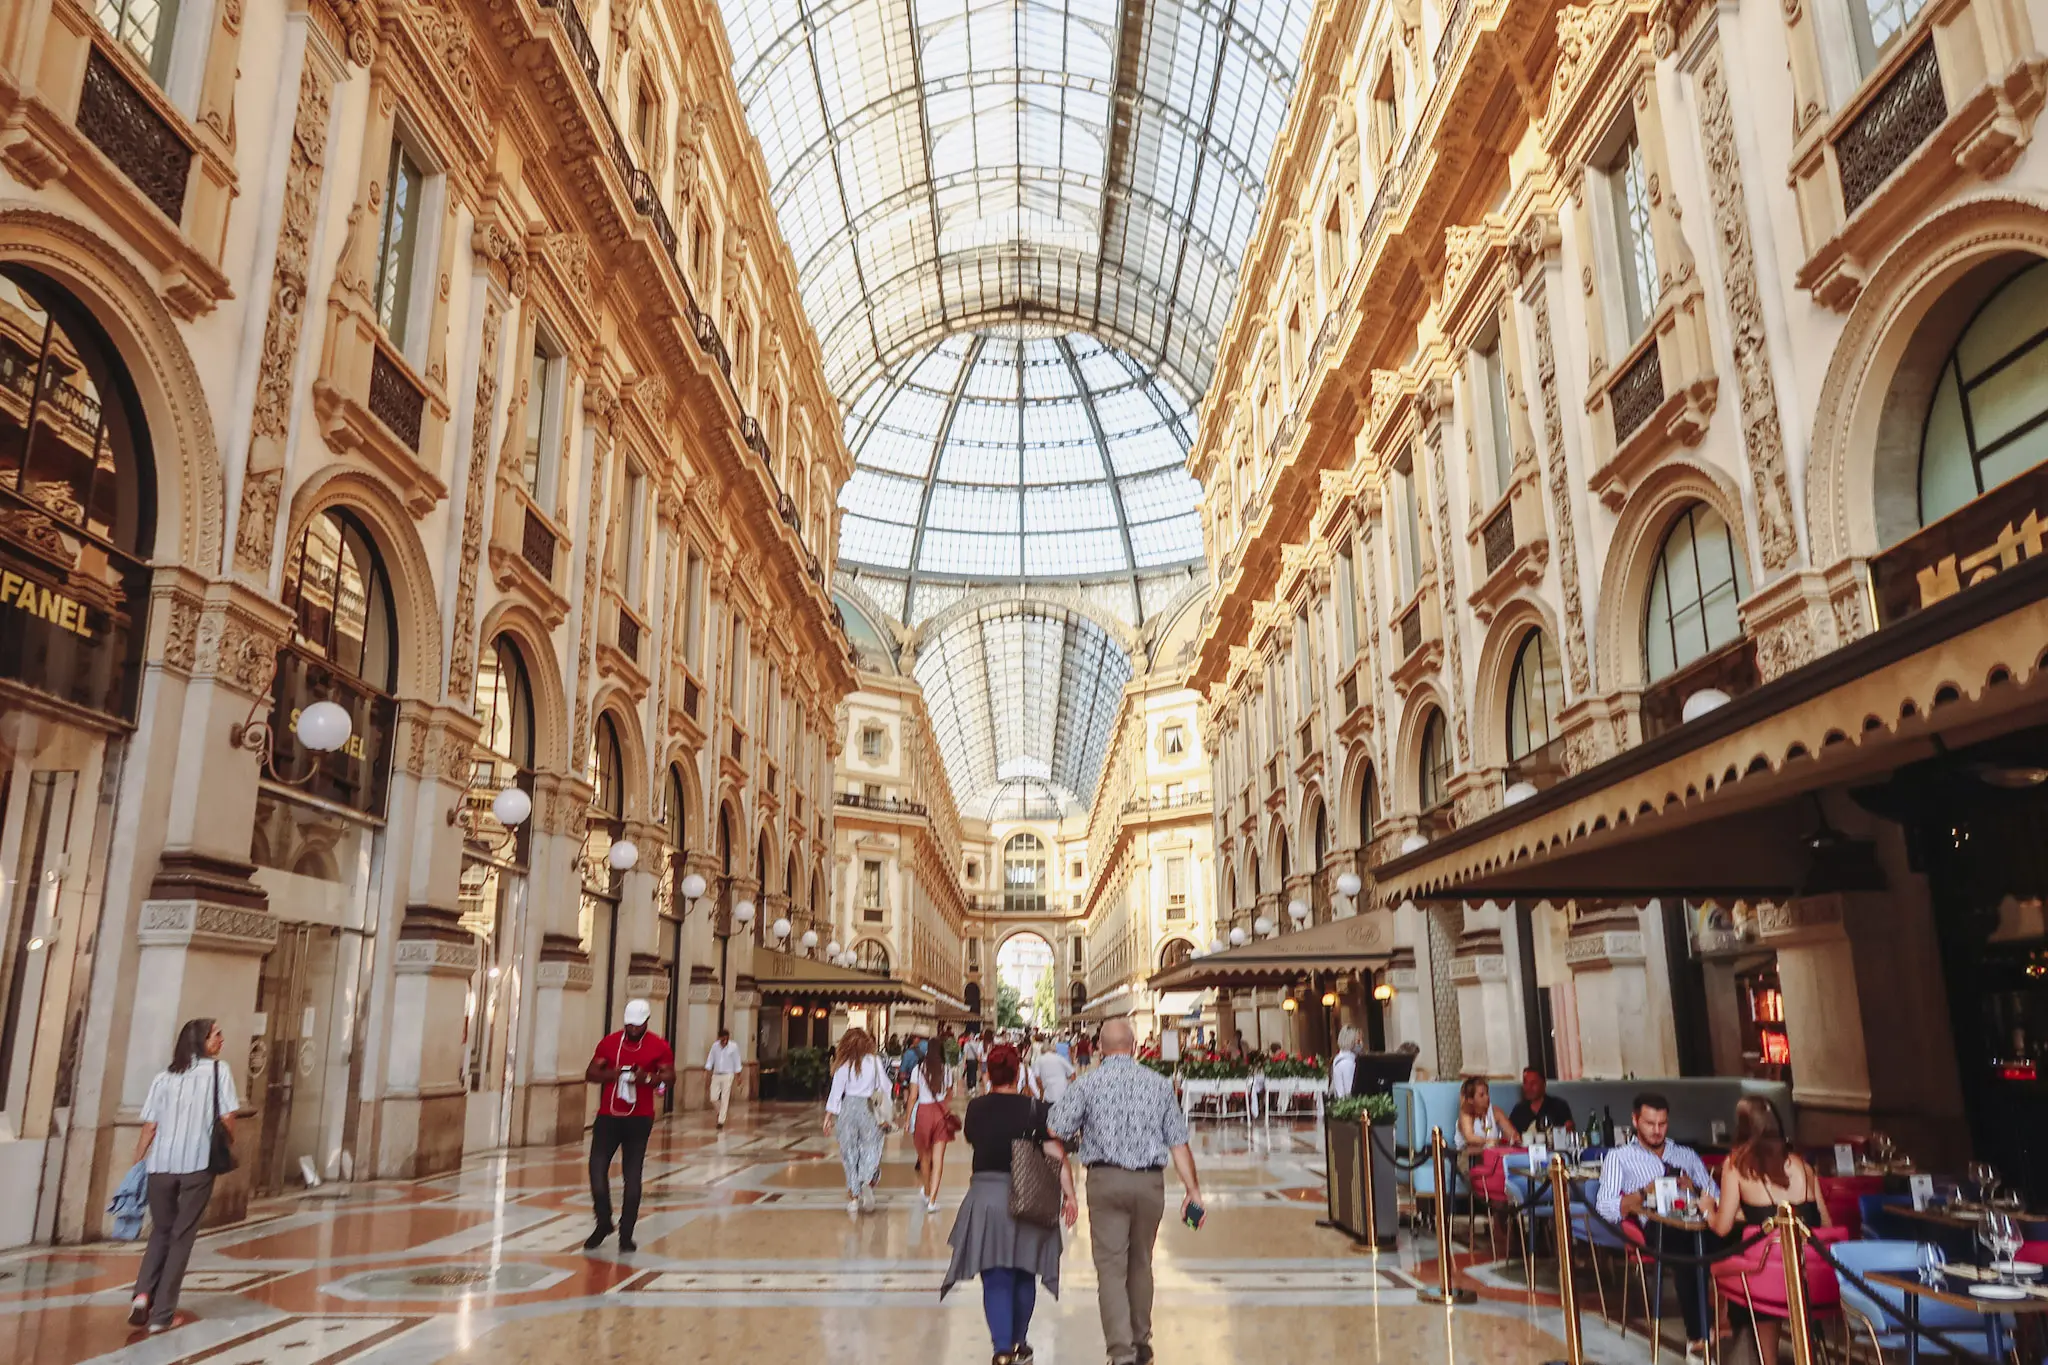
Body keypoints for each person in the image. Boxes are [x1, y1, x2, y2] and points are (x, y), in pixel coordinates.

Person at [1049, 1017, 1204, 1365]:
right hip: (1149, 1183)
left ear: (1099, 1049)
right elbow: (1179, 1143)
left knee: (1111, 1268)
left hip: (1106, 1183)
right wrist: (1192, 1191)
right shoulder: (1159, 1084)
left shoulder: (1089, 1084)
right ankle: (1142, 1340)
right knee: (1142, 1263)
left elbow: (1055, 1126)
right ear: (1134, 1047)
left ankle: (1121, 1353)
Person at [943, 1042, 1076, 1365]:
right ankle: (1020, 1342)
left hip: (987, 1199)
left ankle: (1002, 1349)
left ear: (988, 1073)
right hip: (1028, 1196)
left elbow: (974, 1139)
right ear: (1019, 1073)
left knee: (996, 1275)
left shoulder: (976, 1108)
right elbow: (1057, 1153)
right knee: (1024, 1272)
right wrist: (1070, 1196)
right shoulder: (1035, 1108)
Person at [1700, 1096, 1834, 1365]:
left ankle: (1748, 1351)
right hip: (1813, 1280)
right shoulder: (1802, 1166)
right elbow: (1827, 1226)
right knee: (1770, 1263)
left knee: (1724, 1264)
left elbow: (1723, 1226)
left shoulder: (1736, 1165)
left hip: (1767, 1282)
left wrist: (1706, 1208)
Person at [129, 1018, 237, 1332]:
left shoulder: (164, 1077)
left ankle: (142, 1295)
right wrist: (230, 1140)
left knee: (160, 1232)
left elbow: (150, 1125)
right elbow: (228, 1116)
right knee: (181, 1237)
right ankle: (162, 1315)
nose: (221, 1039)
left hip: (159, 1167)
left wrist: (138, 1162)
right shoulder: (219, 1071)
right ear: (200, 1040)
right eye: (216, 1033)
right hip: (197, 1165)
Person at [1596, 1092, 1722, 1361]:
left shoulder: (1685, 1155)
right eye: (1650, 1124)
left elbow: (1717, 1196)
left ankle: (1731, 1328)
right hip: (1656, 1229)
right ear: (1635, 1120)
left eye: (1662, 1124)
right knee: (1688, 1253)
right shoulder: (1620, 1158)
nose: (1656, 1131)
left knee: (1737, 1241)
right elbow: (1604, 1207)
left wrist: (1697, 1188)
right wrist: (1644, 1192)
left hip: (1699, 1223)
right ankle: (1698, 1337)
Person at [584, 998, 675, 1252]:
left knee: (632, 1176)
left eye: (638, 1025)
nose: (633, 1030)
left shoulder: (659, 1046)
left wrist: (647, 1077)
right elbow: (591, 1073)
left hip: (639, 1118)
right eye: (629, 1025)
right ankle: (603, 1221)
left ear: (646, 1022)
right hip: (608, 1116)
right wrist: (614, 1074)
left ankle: (626, 1233)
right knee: (596, 1170)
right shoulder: (610, 1043)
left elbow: (670, 1077)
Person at [824, 1026, 890, 1214]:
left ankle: (853, 1197)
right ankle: (867, 1178)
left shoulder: (843, 1065)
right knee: (871, 1146)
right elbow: (885, 1086)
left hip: (848, 1109)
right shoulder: (875, 1062)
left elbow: (836, 1093)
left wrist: (828, 1117)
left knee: (849, 1152)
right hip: (869, 1109)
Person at [911, 1045, 957, 1212]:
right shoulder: (947, 1071)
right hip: (940, 1114)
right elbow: (950, 1094)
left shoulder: (918, 1069)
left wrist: (908, 1118)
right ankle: (932, 1201)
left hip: (923, 1112)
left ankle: (927, 1191)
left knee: (924, 1157)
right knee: (938, 1160)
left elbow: (912, 1096)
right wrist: (944, 1104)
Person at [1508, 1067, 1574, 1134]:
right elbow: (1510, 1135)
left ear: (1544, 1084)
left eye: (1533, 1083)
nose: (1528, 1087)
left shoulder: (1559, 1105)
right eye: (1525, 1083)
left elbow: (1569, 1129)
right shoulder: (1518, 1110)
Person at [704, 1026, 742, 1128]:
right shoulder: (715, 1046)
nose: (724, 1041)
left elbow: (737, 1062)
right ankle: (720, 1112)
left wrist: (738, 1077)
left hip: (728, 1075)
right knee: (713, 1098)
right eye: (722, 1039)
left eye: (726, 1039)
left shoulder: (733, 1047)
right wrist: (707, 1073)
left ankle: (721, 1121)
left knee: (725, 1097)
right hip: (716, 1074)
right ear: (719, 1038)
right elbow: (710, 1060)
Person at [1032, 1039, 1076, 1105]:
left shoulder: (1039, 1060)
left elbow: (1037, 1078)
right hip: (1063, 1093)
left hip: (1049, 1095)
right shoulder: (1060, 1058)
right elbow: (1073, 1073)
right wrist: (1071, 1086)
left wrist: (1041, 1090)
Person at [1330, 1026, 1361, 1099]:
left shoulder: (1338, 1060)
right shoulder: (1348, 1063)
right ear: (1351, 1042)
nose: (1360, 1044)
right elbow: (1350, 1090)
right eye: (1358, 1041)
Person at [962, 1030, 985, 1095]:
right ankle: (974, 1086)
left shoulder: (966, 1044)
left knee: (969, 1074)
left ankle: (970, 1087)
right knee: (974, 1073)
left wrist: (964, 1063)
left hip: (969, 1060)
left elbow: (965, 1054)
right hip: (975, 1061)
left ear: (969, 1037)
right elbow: (978, 1053)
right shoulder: (977, 1044)